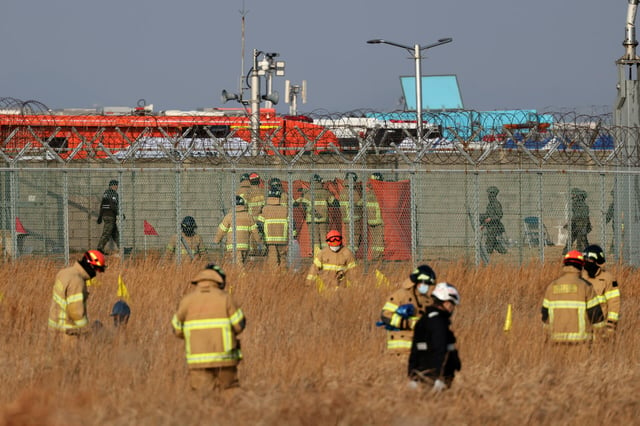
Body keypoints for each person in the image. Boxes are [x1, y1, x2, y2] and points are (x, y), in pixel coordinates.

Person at [171, 263, 246, 397]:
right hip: (225, 359)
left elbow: (176, 329)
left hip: (197, 361)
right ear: (220, 281)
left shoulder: (187, 301)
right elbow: (239, 325)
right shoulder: (226, 299)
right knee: (229, 394)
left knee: (203, 398)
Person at [541, 250, 605, 343]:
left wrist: (547, 337)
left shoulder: (552, 287)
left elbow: (545, 317)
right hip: (581, 344)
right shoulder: (586, 287)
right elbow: (597, 317)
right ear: (581, 266)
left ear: (565, 265)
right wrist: (602, 338)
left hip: (555, 343)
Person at [408, 282, 461, 392]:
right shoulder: (439, 323)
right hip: (435, 380)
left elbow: (414, 352)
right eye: (451, 304)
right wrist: (440, 377)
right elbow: (440, 350)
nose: (452, 308)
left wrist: (412, 375)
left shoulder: (423, 320)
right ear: (445, 302)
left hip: (418, 377)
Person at [48, 250, 107, 346]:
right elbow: (76, 312)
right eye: (97, 270)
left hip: (54, 329)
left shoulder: (64, 273)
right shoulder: (77, 281)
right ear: (91, 266)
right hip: (68, 335)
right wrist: (89, 330)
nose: (96, 274)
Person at [379, 265, 437, 356]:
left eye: (428, 285)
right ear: (416, 282)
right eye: (424, 284)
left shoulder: (428, 301)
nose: (426, 287)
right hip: (399, 350)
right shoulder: (400, 296)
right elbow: (385, 315)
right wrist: (409, 323)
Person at [582, 244, 620, 337]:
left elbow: (614, 302)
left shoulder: (608, 278)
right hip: (581, 329)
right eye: (585, 260)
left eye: (589, 260)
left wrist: (611, 324)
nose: (587, 262)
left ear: (597, 261)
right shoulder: (579, 277)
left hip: (601, 329)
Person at [213, 196, 263, 264]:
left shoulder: (229, 216)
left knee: (238, 265)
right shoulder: (248, 216)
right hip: (245, 246)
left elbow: (221, 231)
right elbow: (255, 231)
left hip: (233, 246)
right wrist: (259, 241)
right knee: (242, 263)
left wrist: (217, 240)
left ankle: (241, 274)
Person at [296, 174, 335, 253]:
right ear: (320, 182)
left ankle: (316, 255)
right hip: (324, 218)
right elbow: (335, 203)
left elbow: (304, 206)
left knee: (315, 237)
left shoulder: (308, 194)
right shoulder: (325, 193)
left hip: (311, 219)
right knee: (324, 236)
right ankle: (325, 253)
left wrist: (313, 213)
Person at [258, 189, 290, 266]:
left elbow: (259, 224)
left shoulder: (265, 209)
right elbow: (292, 224)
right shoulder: (285, 209)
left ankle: (274, 276)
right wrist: (293, 236)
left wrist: (261, 235)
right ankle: (284, 275)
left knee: (273, 258)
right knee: (282, 258)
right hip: (282, 239)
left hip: (270, 239)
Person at [338, 172, 363, 252]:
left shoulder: (342, 192)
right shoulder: (353, 192)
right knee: (355, 235)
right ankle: (353, 253)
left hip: (346, 219)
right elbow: (358, 203)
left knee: (348, 236)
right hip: (354, 218)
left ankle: (348, 252)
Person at [563, 188, 591, 254]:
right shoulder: (576, 204)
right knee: (576, 236)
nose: (572, 196)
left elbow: (583, 216)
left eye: (573, 195)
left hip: (580, 223)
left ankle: (578, 249)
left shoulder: (579, 204)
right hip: (577, 222)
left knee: (580, 237)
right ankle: (567, 250)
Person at [97, 179, 121, 254]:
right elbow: (113, 205)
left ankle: (122, 248)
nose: (117, 187)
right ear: (113, 186)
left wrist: (100, 216)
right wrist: (119, 213)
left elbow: (102, 205)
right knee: (107, 233)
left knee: (115, 234)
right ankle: (99, 248)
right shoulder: (114, 194)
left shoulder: (105, 193)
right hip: (110, 216)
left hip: (105, 215)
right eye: (116, 185)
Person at [481, 186, 507, 254]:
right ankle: (504, 252)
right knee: (493, 241)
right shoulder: (490, 204)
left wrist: (491, 219)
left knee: (490, 241)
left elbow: (499, 215)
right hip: (490, 226)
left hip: (495, 226)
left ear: (493, 194)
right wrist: (483, 224)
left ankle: (487, 255)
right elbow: (487, 216)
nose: (489, 196)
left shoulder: (496, 204)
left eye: (490, 194)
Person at [365, 173, 385, 261]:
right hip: (379, 220)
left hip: (370, 220)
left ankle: (373, 257)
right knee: (379, 241)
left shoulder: (368, 193)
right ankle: (378, 257)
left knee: (374, 241)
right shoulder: (380, 193)